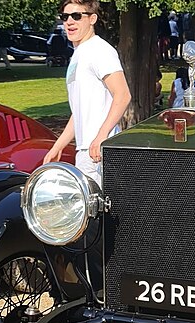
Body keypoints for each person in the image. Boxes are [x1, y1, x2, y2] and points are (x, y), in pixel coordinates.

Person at [43, 0, 132, 187]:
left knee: (98, 213)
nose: (69, 22)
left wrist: (101, 136)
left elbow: (123, 95)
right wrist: (57, 147)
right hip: (85, 151)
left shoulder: (99, 50)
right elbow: (79, 112)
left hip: (99, 152)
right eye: (65, 17)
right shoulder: (78, 54)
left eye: (76, 16)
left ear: (92, 19)